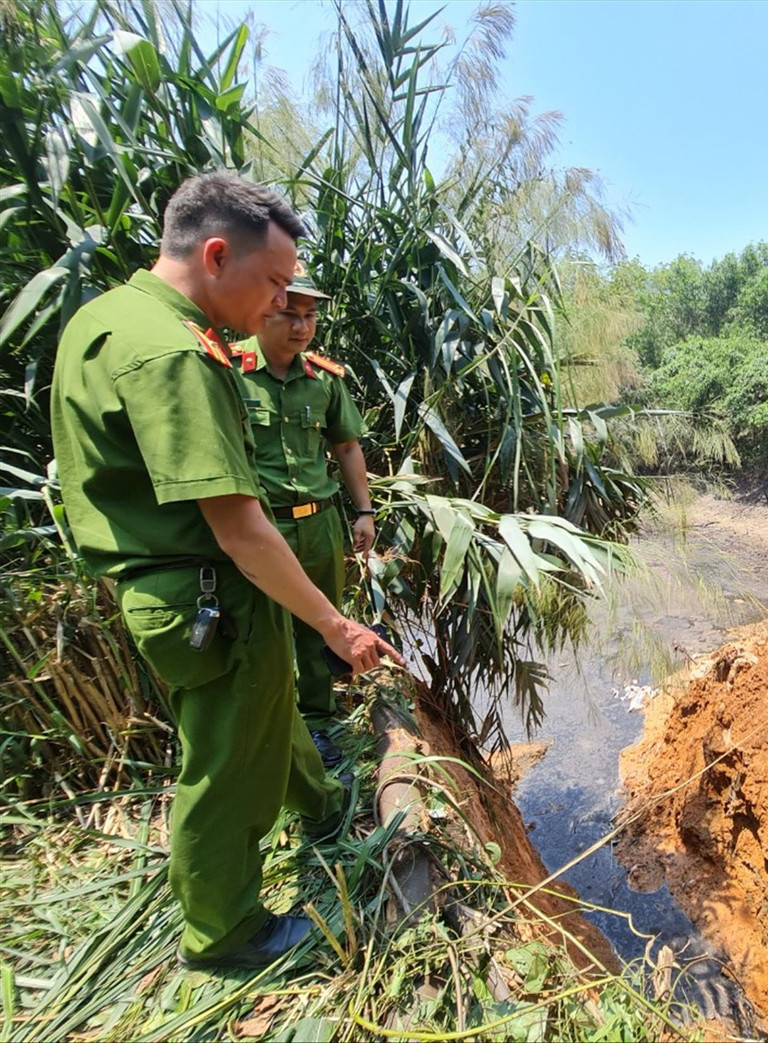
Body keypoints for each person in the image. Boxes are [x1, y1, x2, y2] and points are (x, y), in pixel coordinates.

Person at [50, 172, 402, 970]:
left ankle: (320, 807)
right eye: (276, 282)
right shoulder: (176, 354)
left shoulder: (109, 317)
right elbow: (240, 529)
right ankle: (227, 931)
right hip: (208, 593)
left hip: (207, 589)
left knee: (267, 717)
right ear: (216, 255)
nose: (283, 304)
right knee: (226, 764)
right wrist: (336, 624)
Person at [232, 265, 373, 769]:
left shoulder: (324, 380)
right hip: (257, 528)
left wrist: (363, 511)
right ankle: (268, 723)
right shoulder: (227, 372)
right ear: (261, 311)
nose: (301, 327)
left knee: (322, 623)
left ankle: (316, 723)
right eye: (290, 314)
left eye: (310, 316)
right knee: (262, 627)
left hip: (317, 523)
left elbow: (347, 447)